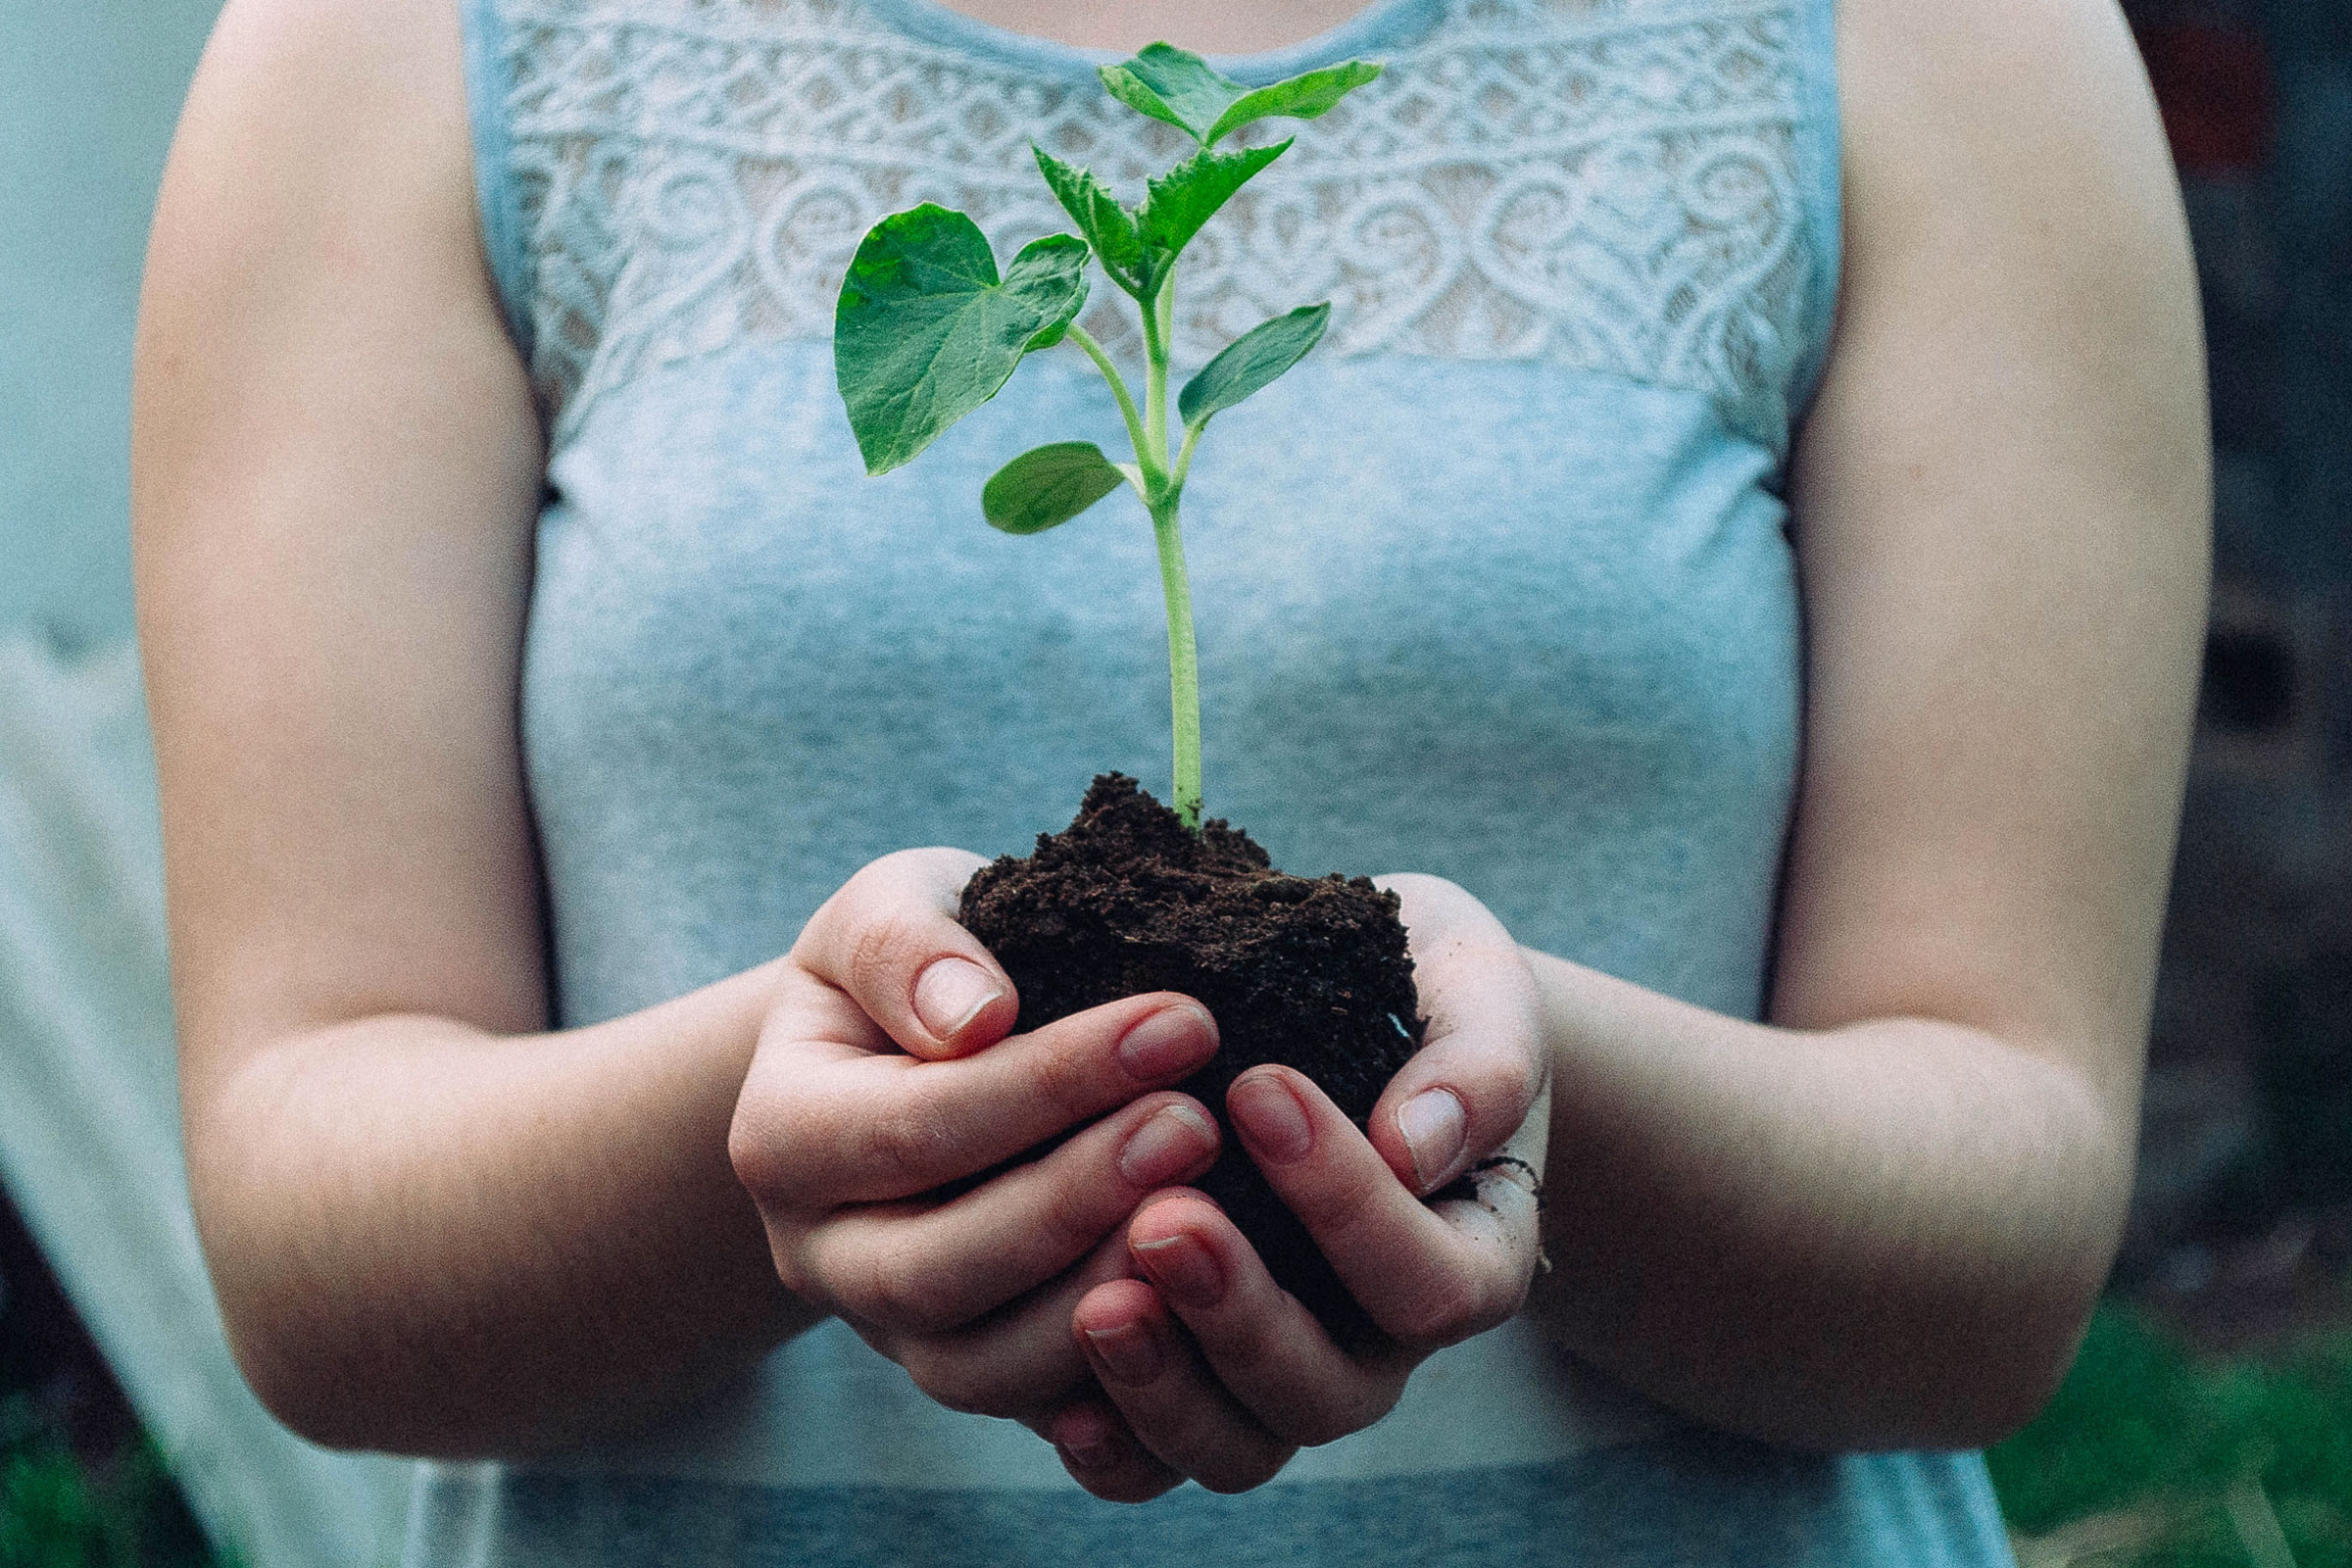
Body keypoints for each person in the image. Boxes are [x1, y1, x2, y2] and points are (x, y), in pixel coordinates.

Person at [129, 0, 2208, 1559]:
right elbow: (314, 1251)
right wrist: (779, 1134)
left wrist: (1530, 1089)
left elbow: (1999, 1242)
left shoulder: (1941, 41)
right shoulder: (406, 44)